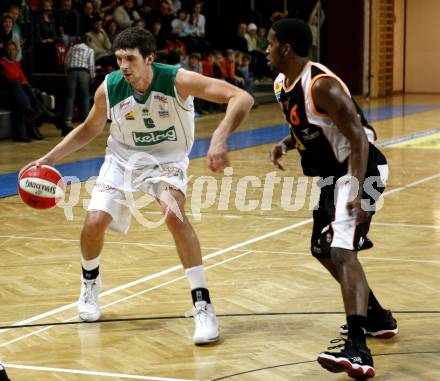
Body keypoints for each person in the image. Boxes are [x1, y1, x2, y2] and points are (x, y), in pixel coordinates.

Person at [21, 27, 254, 345]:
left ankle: (203, 305)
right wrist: (47, 159)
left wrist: (220, 135)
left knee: (173, 214)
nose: (124, 66)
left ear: (150, 59)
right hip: (122, 160)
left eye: (130, 59)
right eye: (119, 59)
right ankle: (90, 282)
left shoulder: (176, 79)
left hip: (167, 160)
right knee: (94, 222)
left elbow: (241, 96)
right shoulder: (111, 86)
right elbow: (89, 128)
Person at [266, 18, 397, 379]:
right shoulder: (282, 84)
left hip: (362, 168)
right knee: (322, 249)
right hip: (333, 175)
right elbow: (309, 125)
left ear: (286, 48)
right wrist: (286, 143)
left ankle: (358, 348)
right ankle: (377, 317)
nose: (267, 49)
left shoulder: (322, 85)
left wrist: (356, 189)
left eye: (271, 43)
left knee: (341, 249)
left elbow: (357, 137)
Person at [63, 35, 95, 131]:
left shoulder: (72, 49)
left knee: (70, 97)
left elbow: (66, 62)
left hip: (72, 72)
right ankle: (87, 121)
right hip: (83, 72)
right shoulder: (89, 50)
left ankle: (67, 121)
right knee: (85, 96)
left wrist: (67, 73)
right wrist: (92, 76)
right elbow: (91, 65)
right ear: (88, 41)